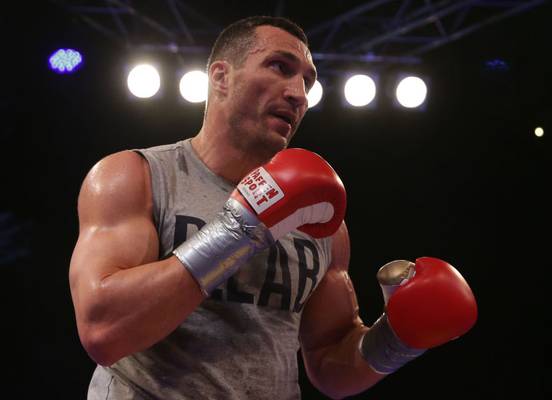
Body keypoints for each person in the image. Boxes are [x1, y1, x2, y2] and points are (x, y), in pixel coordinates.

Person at [69, 16, 478, 400]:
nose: (298, 94)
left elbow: (330, 364)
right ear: (221, 76)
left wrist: (398, 338)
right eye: (280, 67)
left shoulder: (320, 218)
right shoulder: (137, 176)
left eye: (307, 81)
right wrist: (242, 226)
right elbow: (103, 331)